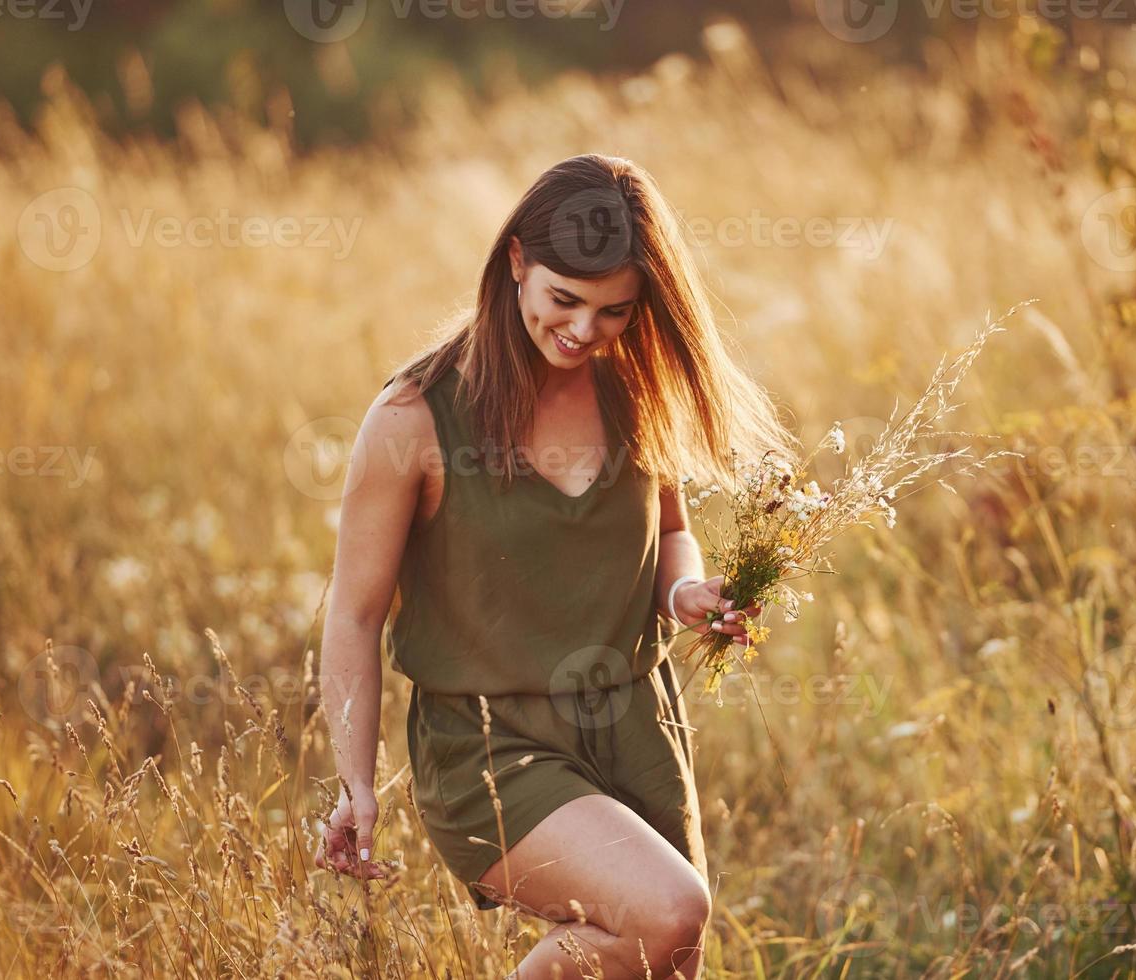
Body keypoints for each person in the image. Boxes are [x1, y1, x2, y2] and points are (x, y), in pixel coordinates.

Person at [313, 153, 800, 979]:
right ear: (515, 263)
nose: (583, 329)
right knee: (668, 909)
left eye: (614, 310)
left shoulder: (635, 388)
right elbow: (354, 613)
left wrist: (685, 590)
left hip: (637, 723)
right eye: (563, 299)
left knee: (662, 959)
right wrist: (357, 783)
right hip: (488, 741)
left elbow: (670, 528)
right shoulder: (412, 417)